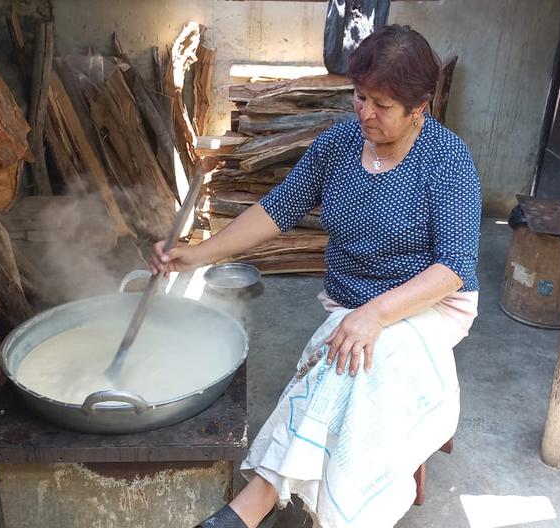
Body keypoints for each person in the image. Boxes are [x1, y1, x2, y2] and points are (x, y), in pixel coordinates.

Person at [152, 24, 481, 528]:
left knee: (357, 362)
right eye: (360, 96)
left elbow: (454, 268)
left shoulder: (446, 160)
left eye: (383, 105)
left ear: (419, 107)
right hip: (352, 304)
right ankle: (314, 506)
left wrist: (376, 314)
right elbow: (277, 209)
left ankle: (258, 505)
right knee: (350, 361)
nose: (365, 113)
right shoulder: (340, 145)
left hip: (427, 305)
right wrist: (197, 255)